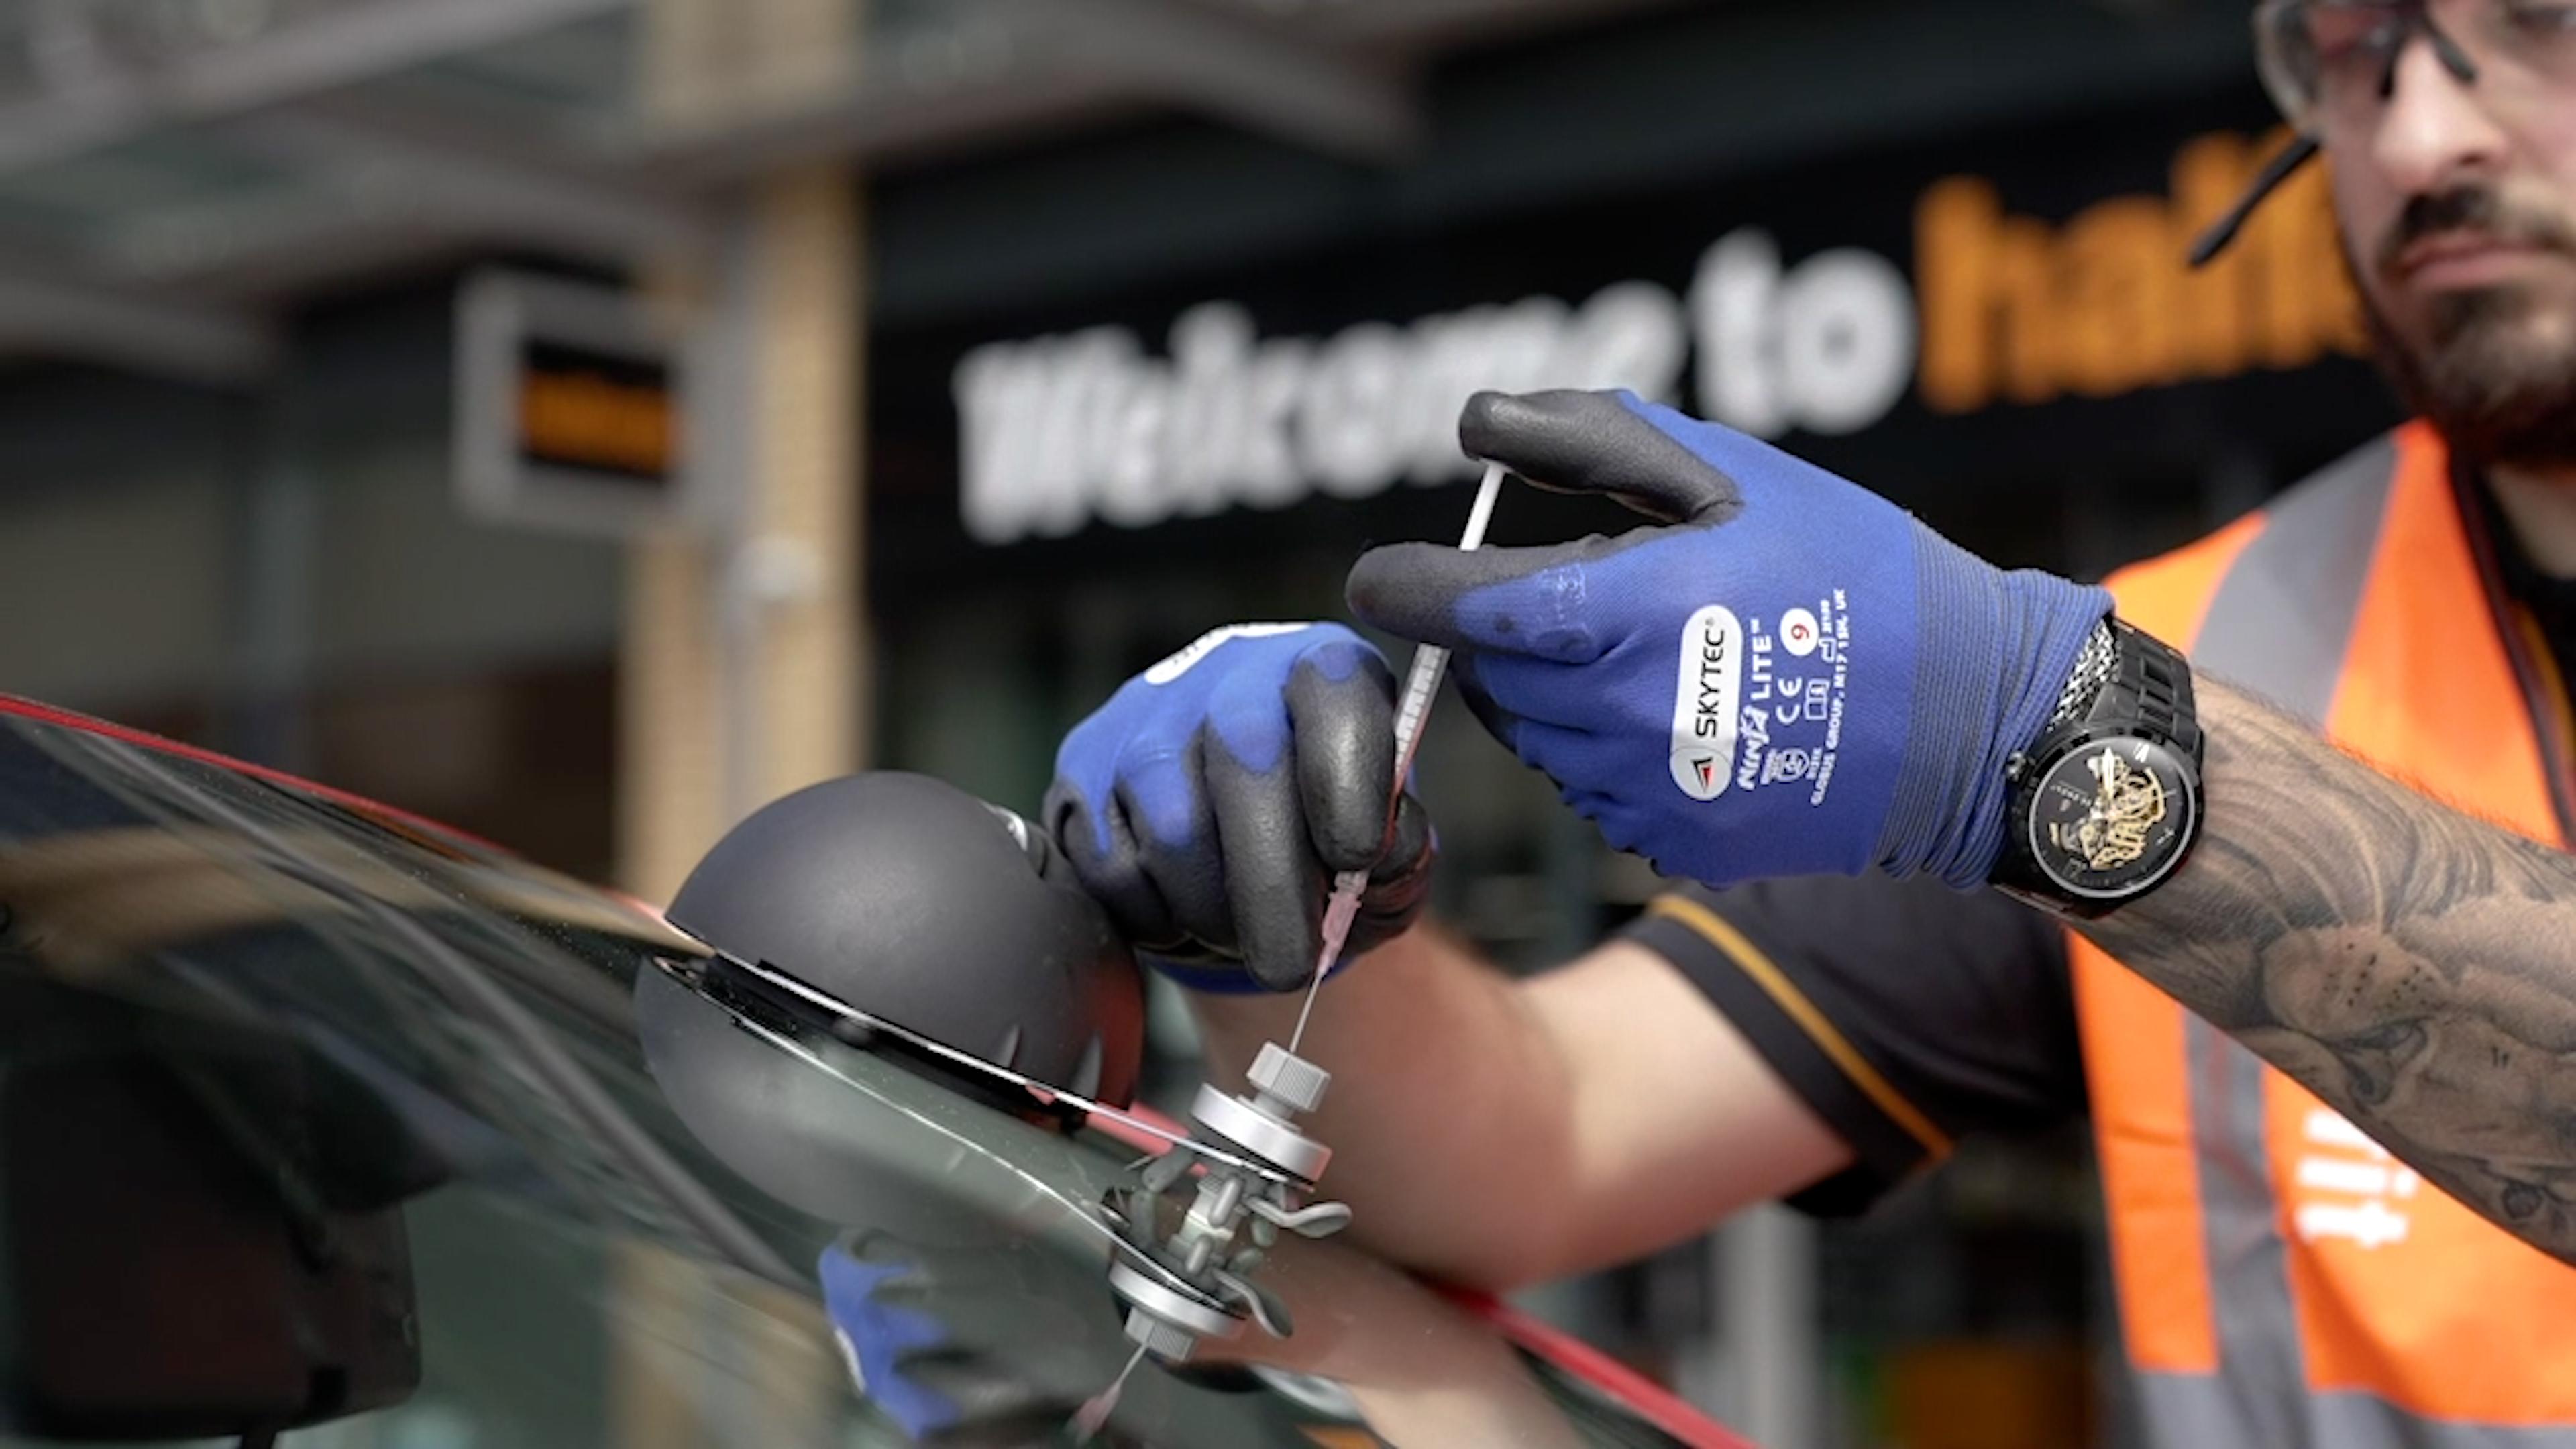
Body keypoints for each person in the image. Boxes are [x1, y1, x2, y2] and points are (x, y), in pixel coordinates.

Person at [1043, 5, 2576, 1444]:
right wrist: (1269, 921)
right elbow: (1548, 1140)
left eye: (2532, 16)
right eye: (2352, 45)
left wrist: (2060, 743)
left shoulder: (2089, 684)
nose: (2420, 133)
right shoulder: (2227, 633)